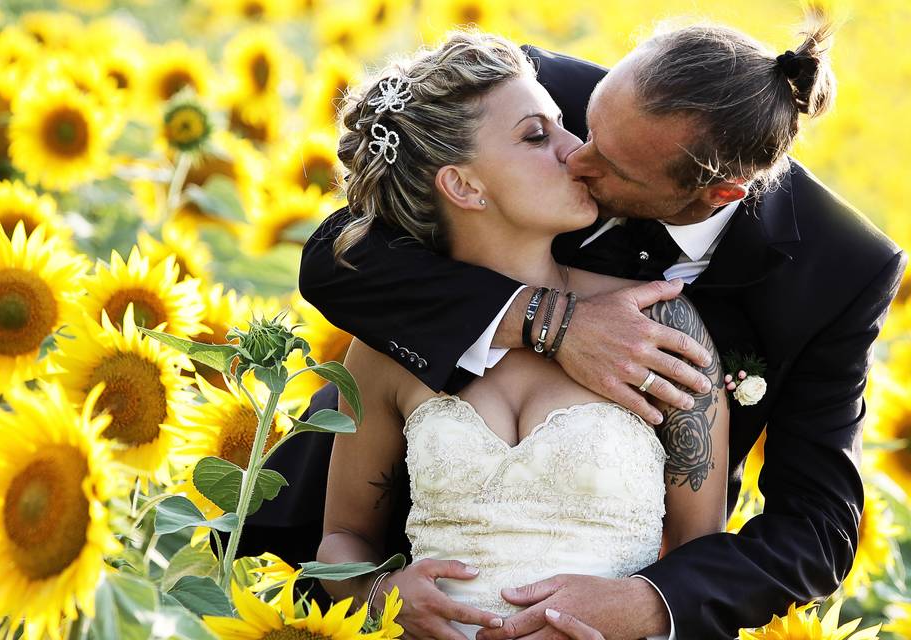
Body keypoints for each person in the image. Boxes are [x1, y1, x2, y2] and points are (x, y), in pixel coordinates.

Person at [264, 16, 906, 640]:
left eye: (613, 167)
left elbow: (815, 529)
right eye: (580, 126)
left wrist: (649, 603)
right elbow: (336, 255)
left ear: (721, 195)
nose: (578, 154)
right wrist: (550, 322)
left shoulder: (840, 269)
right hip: (357, 572)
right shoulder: (529, 95)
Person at [313, 31, 730, 640]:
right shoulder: (388, 346)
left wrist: (635, 605)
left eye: (562, 125)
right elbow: (340, 538)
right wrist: (379, 593)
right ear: (464, 187)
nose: (578, 151)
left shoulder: (657, 320)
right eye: (537, 136)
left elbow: (702, 553)